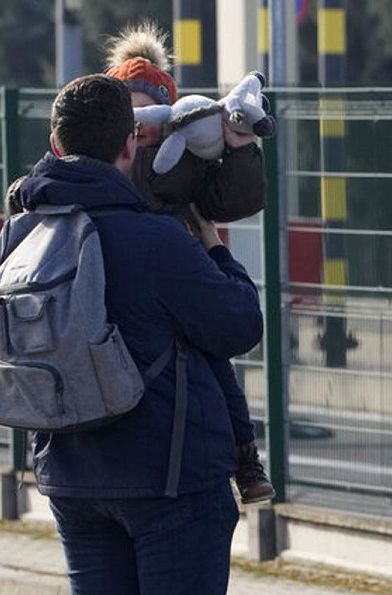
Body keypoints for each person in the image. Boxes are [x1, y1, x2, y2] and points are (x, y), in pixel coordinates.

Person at [18, 74, 264, 595]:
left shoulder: (27, 222)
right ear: (132, 145)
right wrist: (222, 256)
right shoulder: (154, 239)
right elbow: (238, 326)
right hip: (169, 480)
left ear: (56, 146)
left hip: (70, 474)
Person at [104, 23, 274, 504]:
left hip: (182, 261)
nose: (141, 126)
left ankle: (246, 458)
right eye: (132, 114)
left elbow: (231, 200)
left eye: (149, 114)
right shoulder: (104, 150)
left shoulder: (189, 151)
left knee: (216, 365)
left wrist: (239, 147)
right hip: (138, 264)